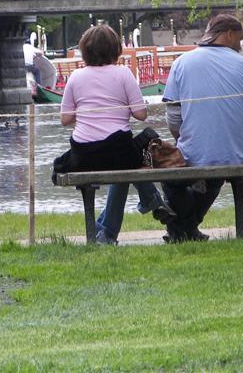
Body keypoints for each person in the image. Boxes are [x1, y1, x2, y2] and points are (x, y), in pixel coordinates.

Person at [58, 25, 176, 245]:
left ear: (85, 50)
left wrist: (87, 114)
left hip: (84, 152)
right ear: (115, 49)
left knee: (119, 168)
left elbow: (65, 119)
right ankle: (151, 200)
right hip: (119, 151)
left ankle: (106, 234)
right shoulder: (123, 73)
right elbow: (141, 114)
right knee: (141, 144)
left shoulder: (75, 77)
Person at [161, 13, 243, 243]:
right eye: (239, 39)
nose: (240, 45)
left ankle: (182, 230)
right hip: (238, 154)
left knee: (170, 177)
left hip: (197, 153)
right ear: (229, 35)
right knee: (216, 169)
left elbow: (173, 118)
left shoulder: (182, 62)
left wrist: (183, 139)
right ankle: (187, 230)